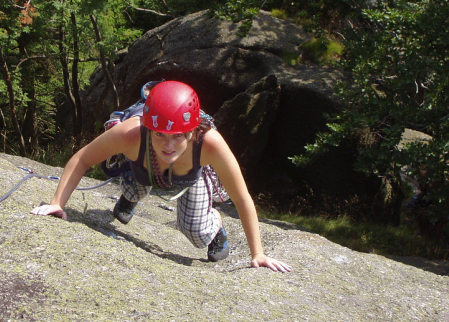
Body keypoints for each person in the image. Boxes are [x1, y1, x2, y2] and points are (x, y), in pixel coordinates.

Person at [31, 81, 291, 272]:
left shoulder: (208, 143)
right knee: (132, 194)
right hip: (142, 170)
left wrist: (258, 253)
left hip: (190, 179)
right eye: (160, 135)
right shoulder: (132, 134)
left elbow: (241, 197)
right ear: (148, 128)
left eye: (178, 135)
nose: (168, 145)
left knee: (197, 233)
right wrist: (57, 203)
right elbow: (83, 158)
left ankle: (216, 225)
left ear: (192, 131)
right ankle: (131, 197)